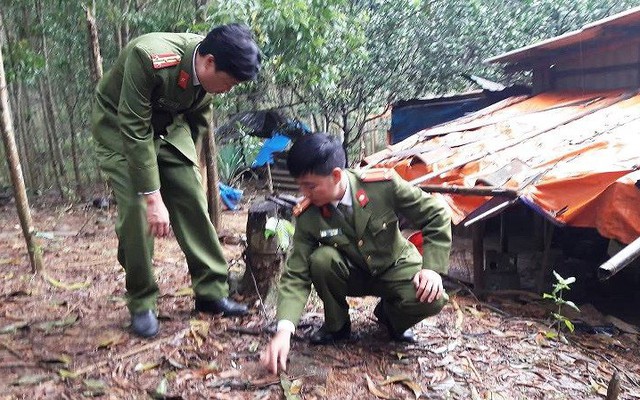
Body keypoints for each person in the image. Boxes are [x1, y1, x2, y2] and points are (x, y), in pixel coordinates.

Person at [91, 24, 261, 338]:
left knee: (191, 197)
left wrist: (186, 168)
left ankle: (211, 291)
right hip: (121, 128)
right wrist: (153, 196)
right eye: (230, 82)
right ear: (209, 63)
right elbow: (134, 127)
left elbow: (199, 119)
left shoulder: (209, 70)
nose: (230, 89)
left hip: (168, 128)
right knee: (138, 213)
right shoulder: (149, 57)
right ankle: (142, 302)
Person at [261, 133, 452, 374]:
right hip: (351, 272)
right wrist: (284, 331)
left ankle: (391, 317)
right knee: (321, 260)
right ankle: (337, 326)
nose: (304, 192)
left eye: (310, 185)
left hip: (395, 265)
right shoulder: (308, 215)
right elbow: (296, 274)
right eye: (300, 185)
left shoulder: (382, 185)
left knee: (432, 297)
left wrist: (432, 269)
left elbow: (436, 214)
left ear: (337, 175)